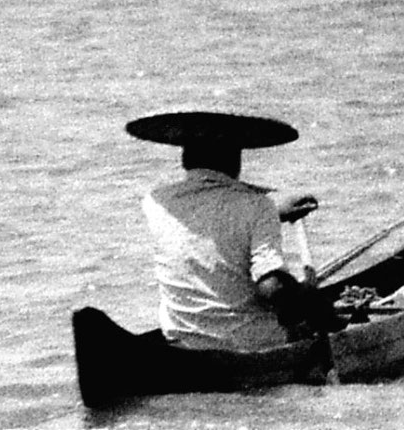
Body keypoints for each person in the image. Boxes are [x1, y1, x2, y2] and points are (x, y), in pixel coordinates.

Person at [125, 108, 338, 351]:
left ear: (185, 156)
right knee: (310, 307)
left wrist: (274, 209)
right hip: (250, 343)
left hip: (182, 342)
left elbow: (210, 211)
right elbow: (272, 288)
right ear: (235, 159)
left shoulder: (155, 201)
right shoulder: (257, 207)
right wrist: (309, 298)